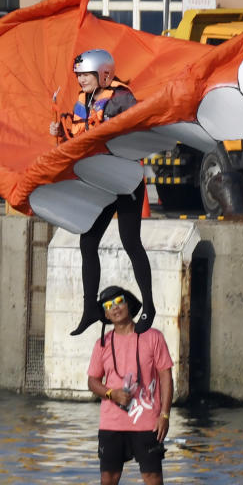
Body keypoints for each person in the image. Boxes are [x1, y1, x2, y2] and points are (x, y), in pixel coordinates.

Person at [49, 49, 156, 335]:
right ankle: (90, 310)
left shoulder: (122, 98)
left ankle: (149, 306)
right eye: (79, 75)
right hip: (101, 180)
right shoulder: (83, 101)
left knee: (130, 242)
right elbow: (76, 136)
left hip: (124, 180)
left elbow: (136, 127)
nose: (80, 80)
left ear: (103, 74)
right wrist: (59, 130)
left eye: (85, 75)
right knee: (88, 242)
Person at [87, 285, 173, 485]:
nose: (115, 308)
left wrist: (164, 415)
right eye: (109, 306)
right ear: (105, 314)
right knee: (108, 478)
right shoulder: (102, 344)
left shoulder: (153, 336)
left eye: (119, 302)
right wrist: (111, 394)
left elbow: (165, 376)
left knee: (153, 477)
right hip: (112, 423)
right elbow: (92, 381)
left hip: (148, 422)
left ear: (129, 304)